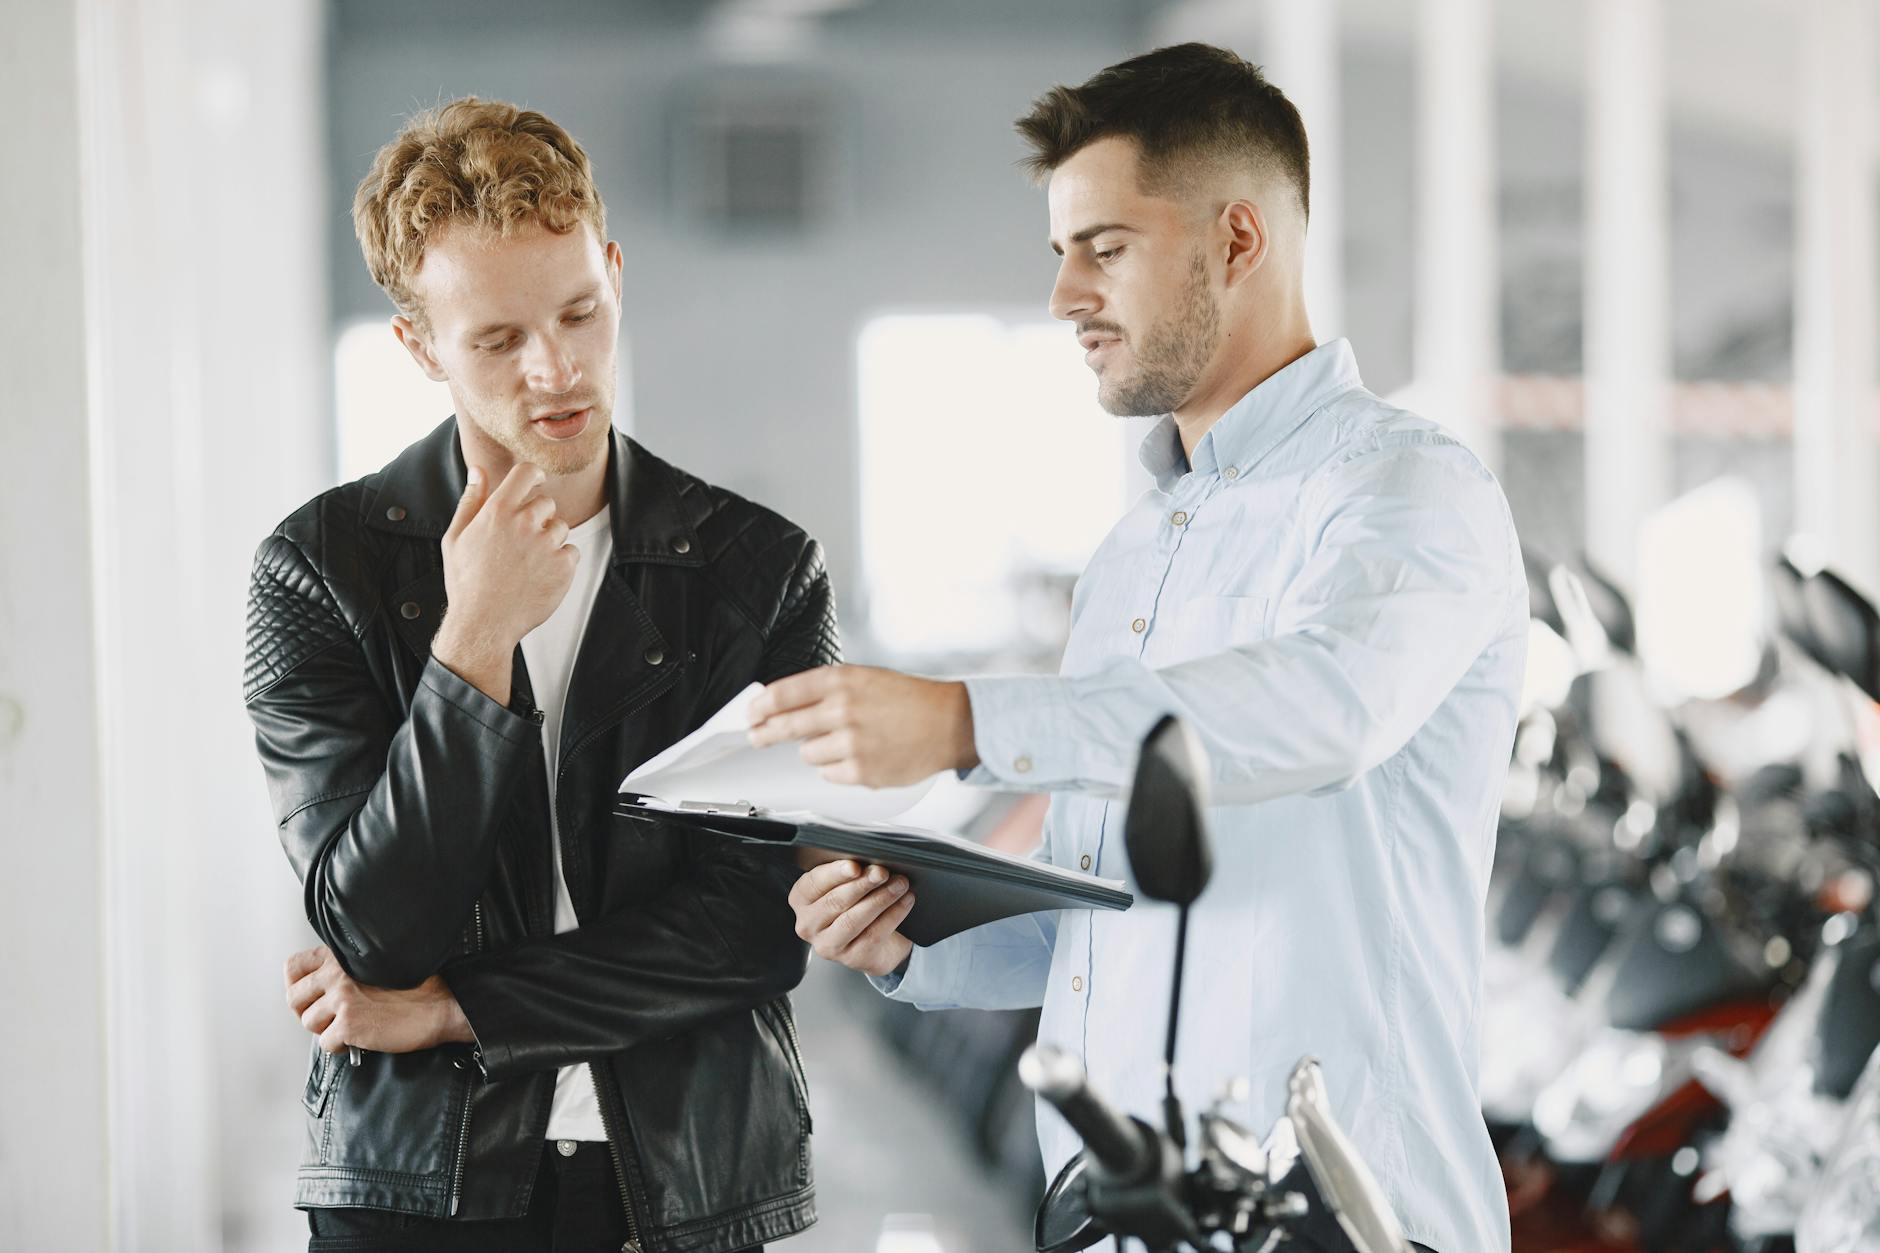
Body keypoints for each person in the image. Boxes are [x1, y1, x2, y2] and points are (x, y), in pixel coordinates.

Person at [752, 43, 1523, 1253]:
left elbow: (1322, 711)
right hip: (1124, 1206)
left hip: (1333, 1205)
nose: (1064, 296)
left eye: (1103, 248)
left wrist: (965, 722)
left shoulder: (1402, 490)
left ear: (1236, 239)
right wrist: (910, 943)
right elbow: (1100, 918)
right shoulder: (1132, 553)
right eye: (1059, 253)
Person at [244, 98, 830, 1252]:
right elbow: (372, 932)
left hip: (690, 1174)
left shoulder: (753, 567)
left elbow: (758, 921)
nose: (557, 369)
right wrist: (470, 645)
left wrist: (459, 1007)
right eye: (498, 339)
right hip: (419, 1185)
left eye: (578, 310)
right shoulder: (319, 571)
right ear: (419, 346)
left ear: (613, 272)